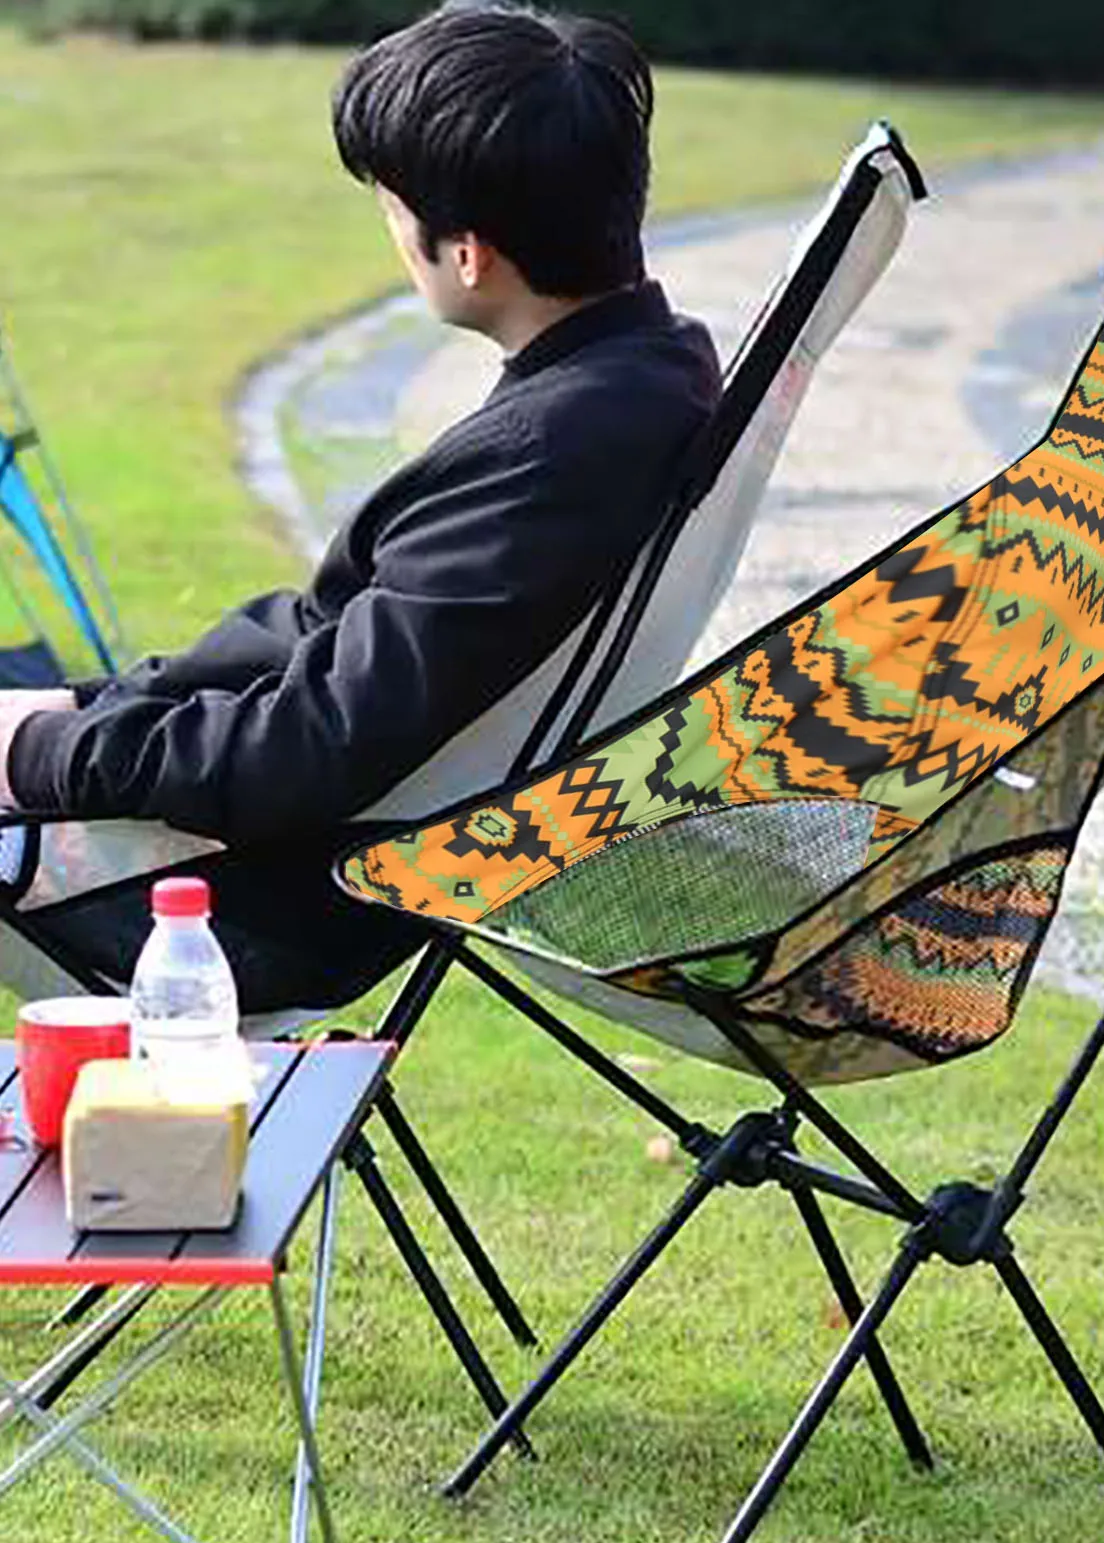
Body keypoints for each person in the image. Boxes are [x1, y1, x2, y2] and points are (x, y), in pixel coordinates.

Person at [0, 2, 720, 1012]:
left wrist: (35, 756)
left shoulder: (548, 454)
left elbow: (305, 747)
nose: (389, 232)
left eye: (390, 208)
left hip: (277, 896)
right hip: (351, 837)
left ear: (466, 254)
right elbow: (334, 645)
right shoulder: (645, 375)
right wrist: (89, 707)